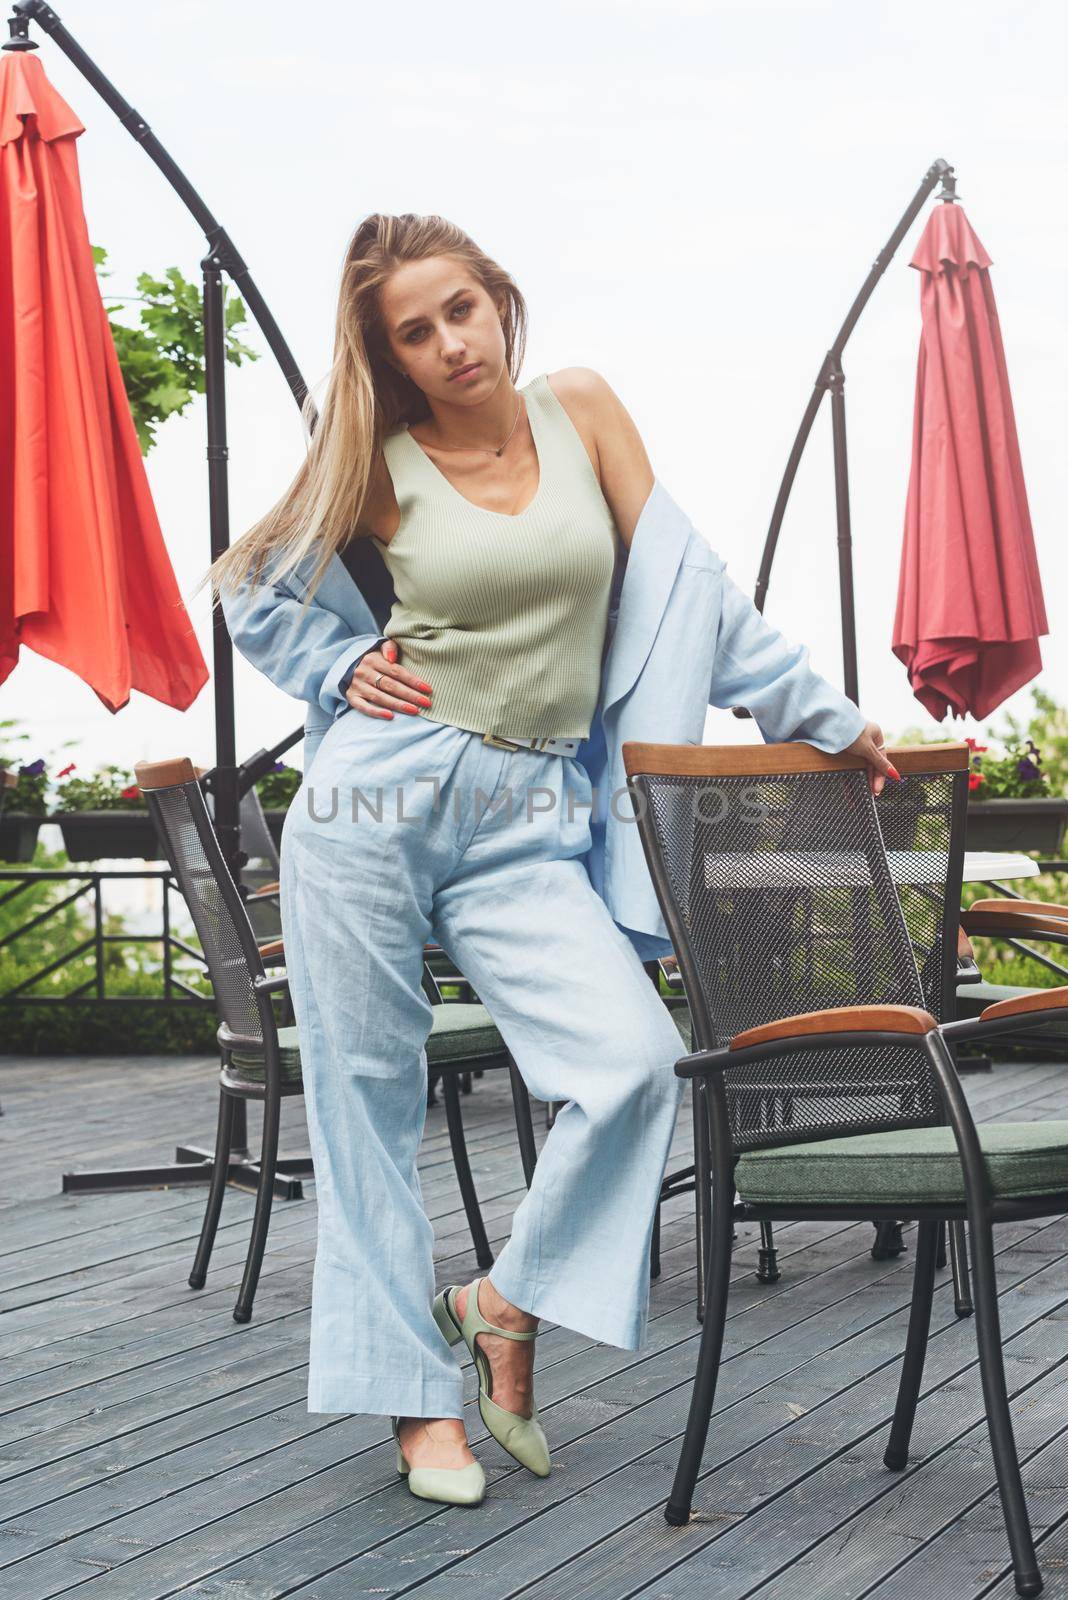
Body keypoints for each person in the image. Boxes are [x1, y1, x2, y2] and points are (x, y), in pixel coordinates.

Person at [209, 212, 893, 1508]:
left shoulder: (581, 414)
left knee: (633, 1068)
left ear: (496, 297)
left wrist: (832, 718)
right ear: (389, 353)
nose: (449, 342)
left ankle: (500, 1304)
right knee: (363, 1103)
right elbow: (248, 588)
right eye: (415, 330)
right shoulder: (374, 463)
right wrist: (331, 664)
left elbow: (702, 599)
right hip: (373, 807)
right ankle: (415, 1405)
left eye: (460, 308)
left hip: (525, 822)